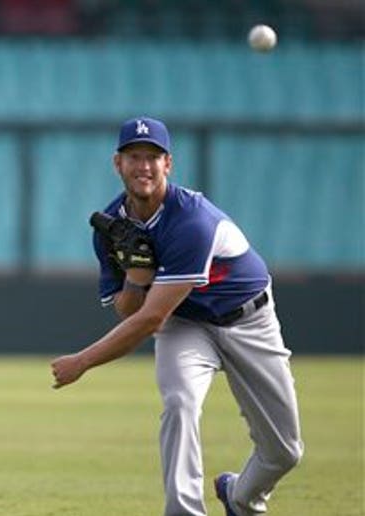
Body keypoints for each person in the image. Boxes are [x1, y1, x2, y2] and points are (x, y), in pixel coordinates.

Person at [50, 117, 303, 516]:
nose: (144, 166)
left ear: (169, 164)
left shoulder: (192, 220)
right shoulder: (111, 227)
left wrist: (81, 362)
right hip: (185, 324)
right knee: (180, 402)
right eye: (135, 156)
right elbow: (128, 308)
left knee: (284, 451)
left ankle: (241, 497)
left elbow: (148, 320)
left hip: (248, 320)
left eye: (153, 157)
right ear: (118, 163)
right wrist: (136, 277)